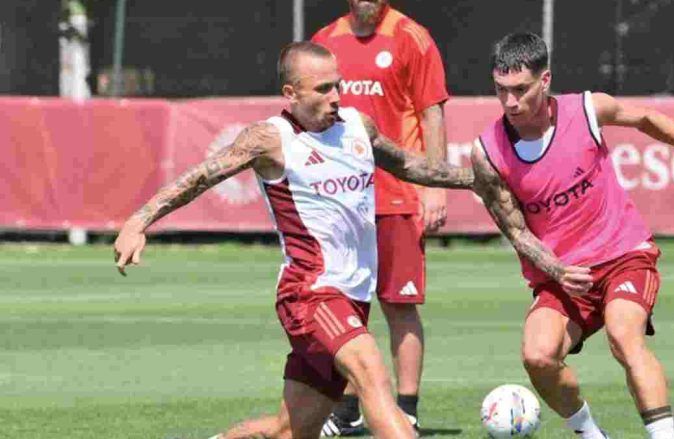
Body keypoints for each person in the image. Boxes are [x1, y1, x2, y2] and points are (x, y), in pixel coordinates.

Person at [112, 41, 472, 439]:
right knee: (371, 372)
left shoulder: (357, 127)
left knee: (289, 432)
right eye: (323, 89)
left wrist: (475, 180)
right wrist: (138, 221)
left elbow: (407, 164)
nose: (335, 97)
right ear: (291, 94)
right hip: (311, 293)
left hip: (352, 297)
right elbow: (201, 176)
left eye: (338, 85)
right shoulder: (270, 139)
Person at [470, 32, 674, 439]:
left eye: (520, 90)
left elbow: (646, 119)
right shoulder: (487, 151)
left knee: (623, 336)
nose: (509, 102)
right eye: (501, 90)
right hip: (563, 274)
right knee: (538, 357)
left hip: (624, 253)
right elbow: (517, 232)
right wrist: (557, 270)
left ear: (545, 80)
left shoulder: (588, 109)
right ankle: (593, 435)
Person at [311, 1, 449, 434]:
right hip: (341, 196)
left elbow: (432, 112)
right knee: (345, 305)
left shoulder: (412, 36)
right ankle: (347, 409)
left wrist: (436, 184)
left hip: (399, 195)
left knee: (399, 304)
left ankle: (406, 408)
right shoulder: (324, 41)